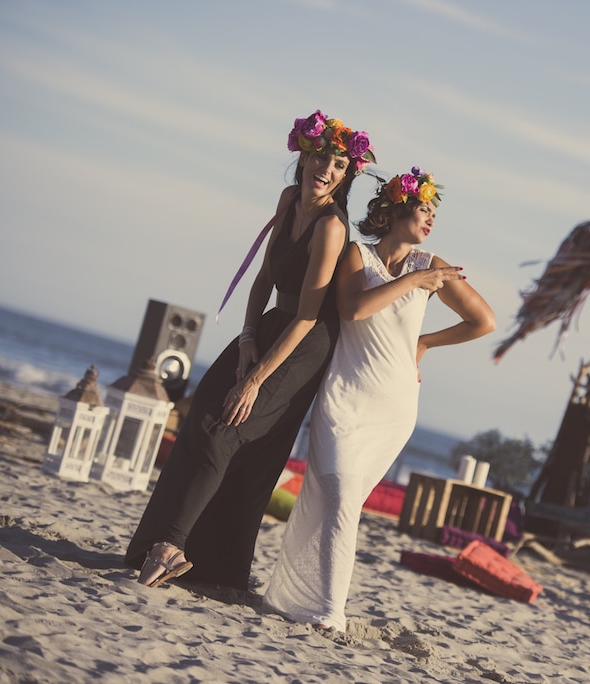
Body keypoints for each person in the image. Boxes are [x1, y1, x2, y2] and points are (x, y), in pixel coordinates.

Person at [124, 110, 376, 590]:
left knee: (227, 430)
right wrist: (245, 342)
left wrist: (257, 377)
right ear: (303, 156)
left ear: (347, 176)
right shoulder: (287, 200)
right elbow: (262, 278)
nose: (327, 169)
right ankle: (166, 547)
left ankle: (172, 547)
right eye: (321, 157)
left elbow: (308, 314)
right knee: (202, 409)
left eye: (340, 164)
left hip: (305, 342)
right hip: (270, 324)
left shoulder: (331, 228)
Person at [264, 167, 496, 632]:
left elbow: (483, 321)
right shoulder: (357, 254)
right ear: (395, 210)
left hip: (394, 406)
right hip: (346, 395)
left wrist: (426, 342)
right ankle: (328, 611)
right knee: (339, 495)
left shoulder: (432, 264)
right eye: (423, 208)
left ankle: (317, 604)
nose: (430, 219)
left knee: (346, 502)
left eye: (433, 211)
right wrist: (412, 283)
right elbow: (352, 309)